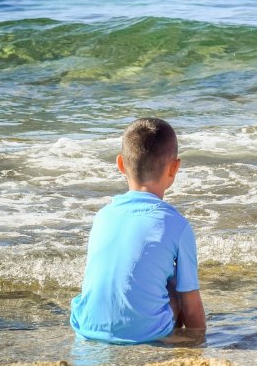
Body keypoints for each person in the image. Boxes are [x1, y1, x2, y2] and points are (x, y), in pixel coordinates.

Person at [70, 117, 206, 344]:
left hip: (87, 328)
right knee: (175, 282)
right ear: (174, 168)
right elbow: (192, 307)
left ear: (121, 164)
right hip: (148, 335)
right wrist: (200, 344)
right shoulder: (177, 225)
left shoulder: (102, 215)